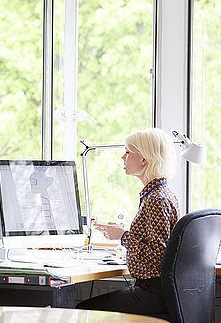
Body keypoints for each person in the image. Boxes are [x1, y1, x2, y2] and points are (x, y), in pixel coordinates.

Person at [76, 128, 179, 316]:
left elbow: (158, 254)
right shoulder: (160, 194)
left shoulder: (156, 200)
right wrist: (122, 234)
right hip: (157, 290)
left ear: (144, 159)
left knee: (82, 311)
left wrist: (122, 236)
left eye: (127, 152)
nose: (122, 158)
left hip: (152, 292)